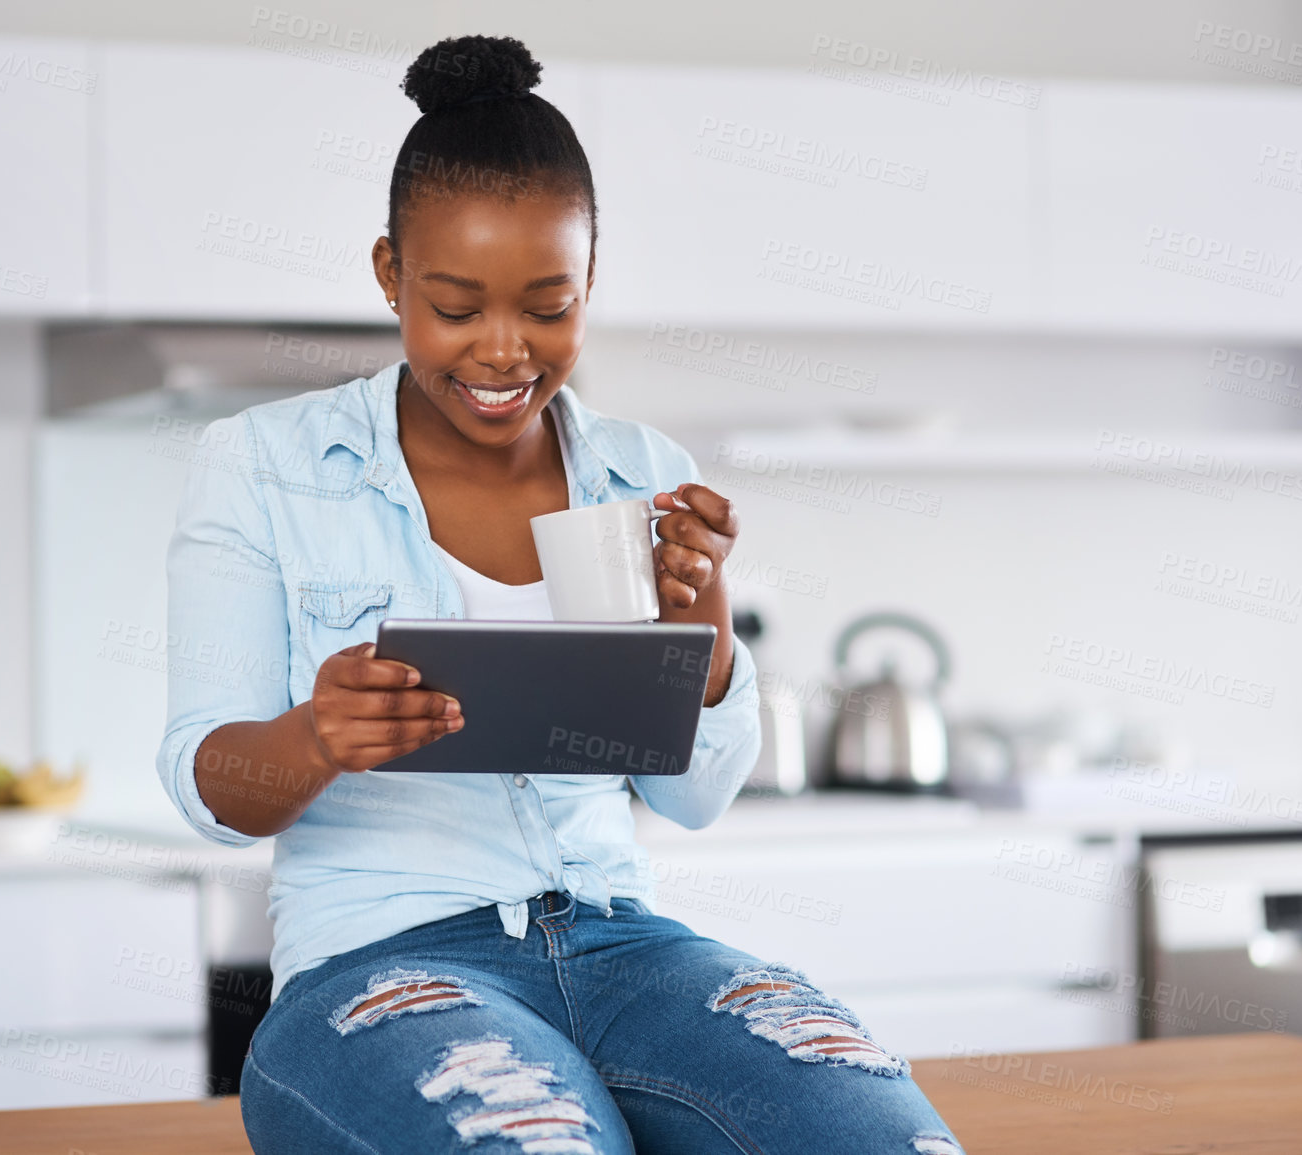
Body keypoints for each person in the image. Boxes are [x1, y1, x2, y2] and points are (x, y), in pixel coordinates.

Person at [156, 33, 964, 1155]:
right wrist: (315, 735)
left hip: (629, 950)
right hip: (380, 966)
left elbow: (692, 800)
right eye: (454, 305)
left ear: (591, 281)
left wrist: (706, 634)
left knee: (884, 1136)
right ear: (390, 274)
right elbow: (208, 786)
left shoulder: (638, 470)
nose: (503, 351)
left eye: (548, 306)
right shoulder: (261, 465)